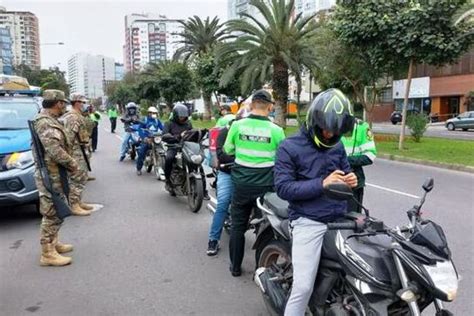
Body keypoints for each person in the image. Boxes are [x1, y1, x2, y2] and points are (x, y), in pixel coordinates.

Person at [274, 88, 358, 316]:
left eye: (336, 131)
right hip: (307, 220)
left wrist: (351, 179)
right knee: (302, 287)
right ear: (314, 121)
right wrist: (322, 183)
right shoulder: (288, 147)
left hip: (340, 218)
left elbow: (345, 172)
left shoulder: (337, 146)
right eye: (327, 129)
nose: (330, 134)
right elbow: (282, 188)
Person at [224, 90, 286, 276]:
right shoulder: (276, 130)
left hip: (241, 185)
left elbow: (228, 149)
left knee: (237, 227)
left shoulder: (237, 125)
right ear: (270, 106)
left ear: (251, 105)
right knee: (265, 228)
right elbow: (283, 156)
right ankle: (262, 269)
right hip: (266, 188)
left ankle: (235, 267)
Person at [32, 90, 79, 266]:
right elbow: (55, 150)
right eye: (63, 103)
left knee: (56, 210)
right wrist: (73, 164)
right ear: (57, 103)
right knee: (51, 212)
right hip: (50, 175)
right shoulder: (45, 123)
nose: (64, 106)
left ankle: (53, 242)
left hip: (54, 173)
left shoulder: (47, 120)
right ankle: (47, 253)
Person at [206, 107, 250, 256]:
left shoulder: (252, 134)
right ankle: (213, 239)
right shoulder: (225, 132)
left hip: (248, 174)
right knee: (223, 203)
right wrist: (244, 160)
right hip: (227, 173)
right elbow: (221, 155)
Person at [61, 93, 93, 216]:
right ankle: (74, 205)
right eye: (83, 102)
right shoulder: (73, 117)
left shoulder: (77, 115)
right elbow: (68, 137)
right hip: (75, 151)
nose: (85, 105)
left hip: (80, 149)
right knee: (77, 177)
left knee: (82, 176)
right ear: (77, 103)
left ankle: (79, 201)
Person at [341, 118, 377, 213]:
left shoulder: (362, 127)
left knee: (352, 220)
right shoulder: (329, 124)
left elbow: (370, 156)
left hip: (353, 182)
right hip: (330, 179)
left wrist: (343, 160)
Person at [162, 103, 193, 195]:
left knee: (197, 162)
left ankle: (203, 190)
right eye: (180, 117)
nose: (182, 119)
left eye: (184, 117)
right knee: (169, 159)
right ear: (175, 115)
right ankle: (168, 181)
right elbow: (164, 136)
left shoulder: (188, 124)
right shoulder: (168, 124)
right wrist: (178, 136)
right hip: (173, 147)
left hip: (187, 147)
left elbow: (192, 133)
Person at [136, 106, 164, 175]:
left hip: (156, 139)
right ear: (149, 113)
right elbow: (140, 130)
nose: (154, 114)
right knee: (141, 152)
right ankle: (139, 168)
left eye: (155, 113)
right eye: (153, 113)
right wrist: (144, 138)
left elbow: (163, 128)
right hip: (147, 139)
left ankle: (163, 168)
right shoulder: (144, 120)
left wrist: (165, 133)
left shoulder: (157, 121)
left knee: (164, 152)